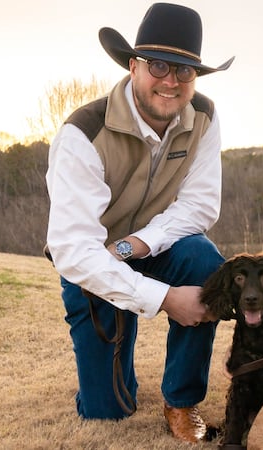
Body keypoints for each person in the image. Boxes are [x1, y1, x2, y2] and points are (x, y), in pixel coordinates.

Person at [45, 3, 234, 443]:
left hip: (152, 249)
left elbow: (201, 206)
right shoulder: (82, 134)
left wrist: (137, 245)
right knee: (108, 411)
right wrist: (165, 299)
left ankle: (182, 400)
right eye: (159, 65)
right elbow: (75, 251)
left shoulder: (204, 116)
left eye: (185, 70)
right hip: (93, 264)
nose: (171, 81)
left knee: (204, 259)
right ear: (133, 66)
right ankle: (112, 361)